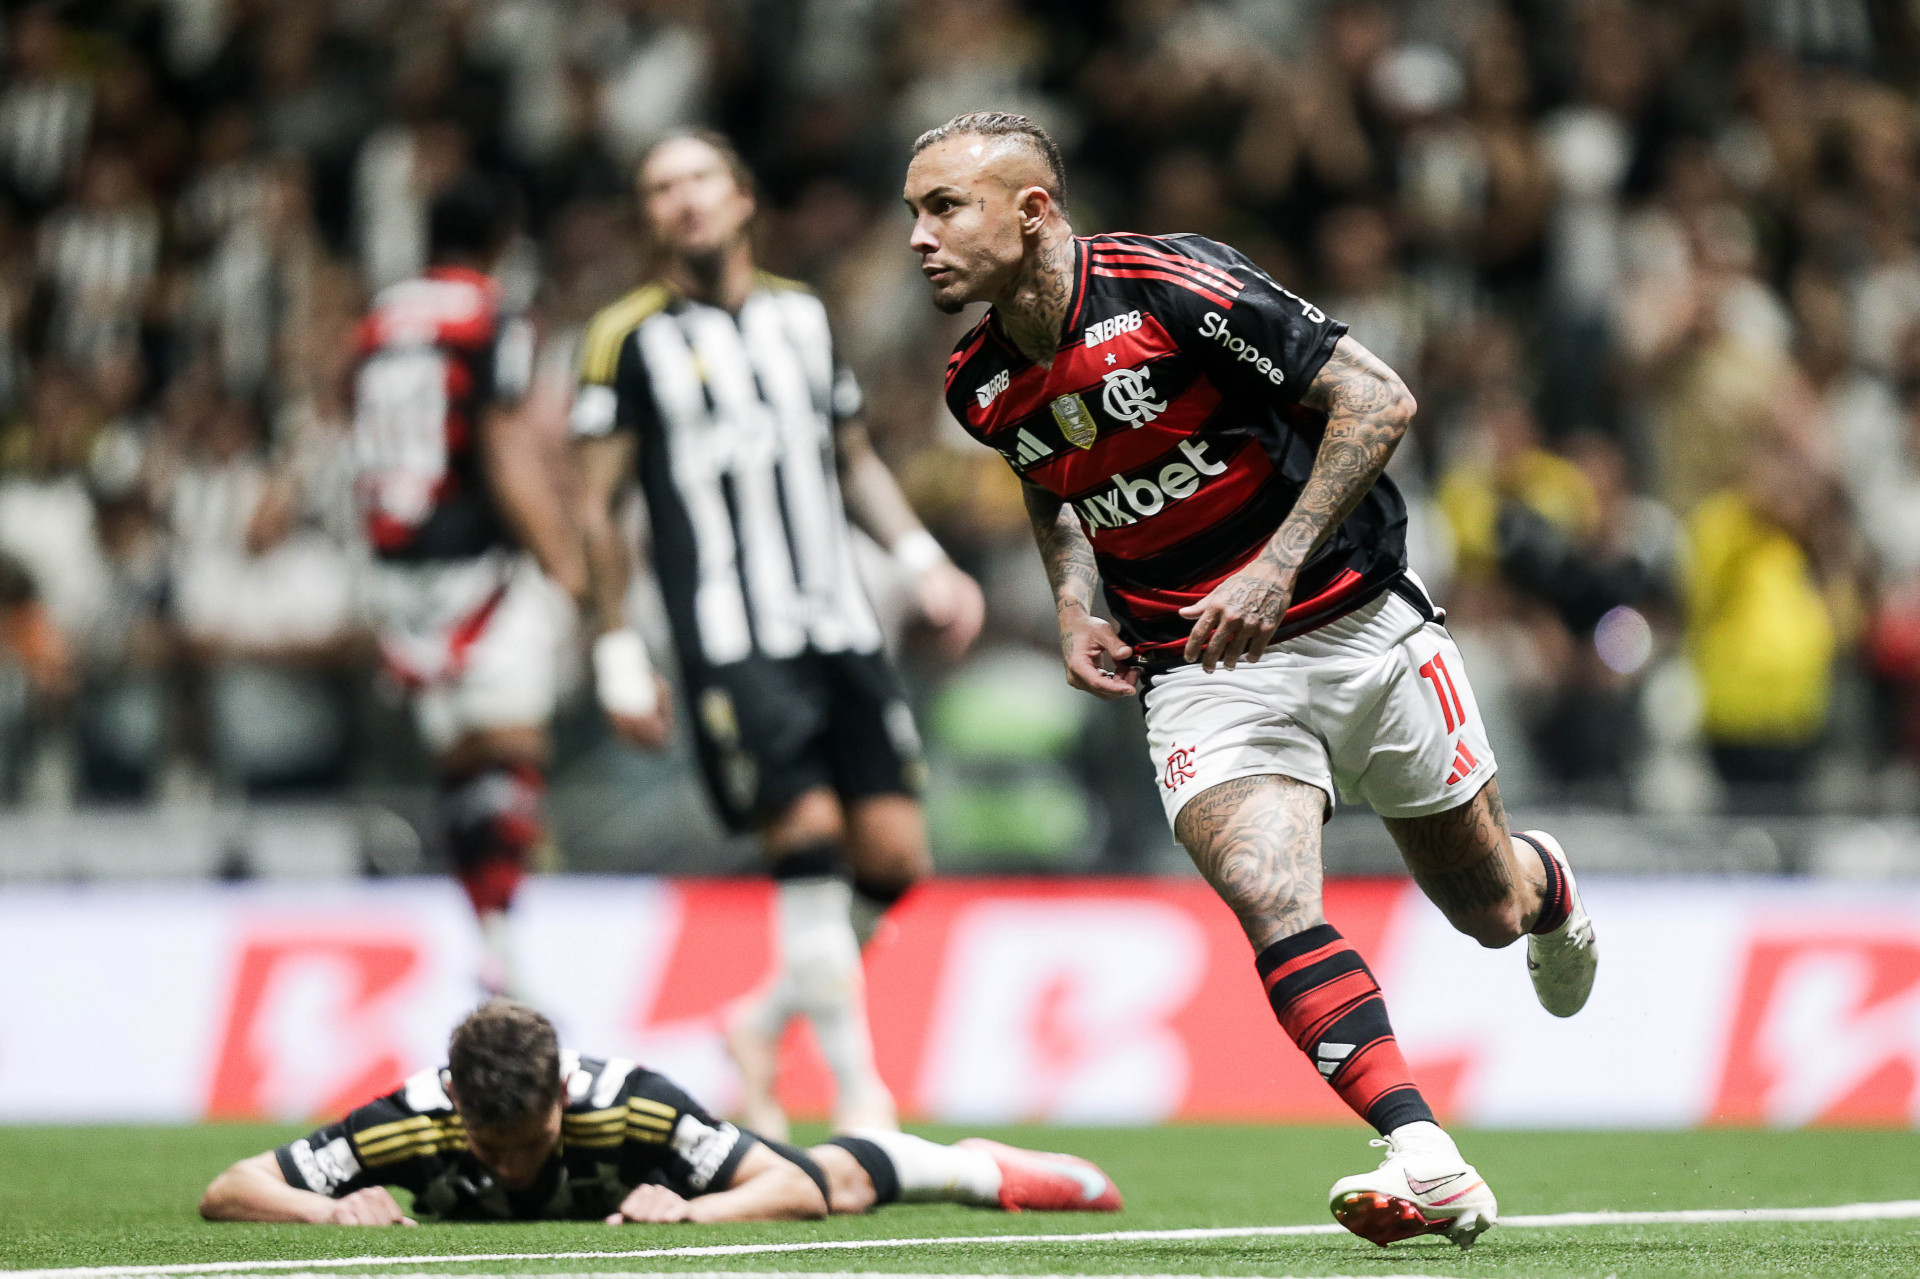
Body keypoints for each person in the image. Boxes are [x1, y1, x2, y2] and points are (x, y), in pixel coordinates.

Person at [905, 112, 1598, 1251]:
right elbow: (1052, 475)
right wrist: (1074, 604)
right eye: (914, 214)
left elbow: (1379, 399)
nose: (921, 239)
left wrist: (1275, 568)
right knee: (1266, 888)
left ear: (1032, 212)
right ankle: (1420, 1146)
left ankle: (1549, 888)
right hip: (1197, 665)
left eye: (946, 208)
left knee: (1488, 912)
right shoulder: (976, 383)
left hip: (1354, 623)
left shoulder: (1173, 287)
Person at [567, 132, 984, 1140]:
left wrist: (924, 561)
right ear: (651, 216)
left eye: (700, 179)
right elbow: (595, 509)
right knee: (804, 840)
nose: (684, 201)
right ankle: (861, 1100)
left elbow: (850, 459)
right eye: (660, 189)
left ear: (743, 196)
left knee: (894, 858)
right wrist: (617, 647)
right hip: (729, 638)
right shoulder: (626, 338)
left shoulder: (803, 316)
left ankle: (758, 1025)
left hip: (838, 623)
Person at [199, 999, 1120, 1225]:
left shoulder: (630, 1105)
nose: (513, 1167)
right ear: (456, 1105)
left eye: (533, 1143)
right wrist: (328, 1206)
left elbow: (788, 1186)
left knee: (834, 1180)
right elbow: (228, 1186)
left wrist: (694, 1209)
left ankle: (973, 1166)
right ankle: (757, 1070)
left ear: (563, 1098)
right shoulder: (408, 1117)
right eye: (492, 1145)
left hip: (669, 1176)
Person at [353, 175, 585, 994]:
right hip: (478, 561)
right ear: (498, 242)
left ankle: (491, 930)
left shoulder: (381, 319)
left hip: (397, 563)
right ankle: (504, 921)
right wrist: (564, 556)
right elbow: (503, 444)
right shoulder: (493, 314)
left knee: (460, 760)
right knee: (513, 745)